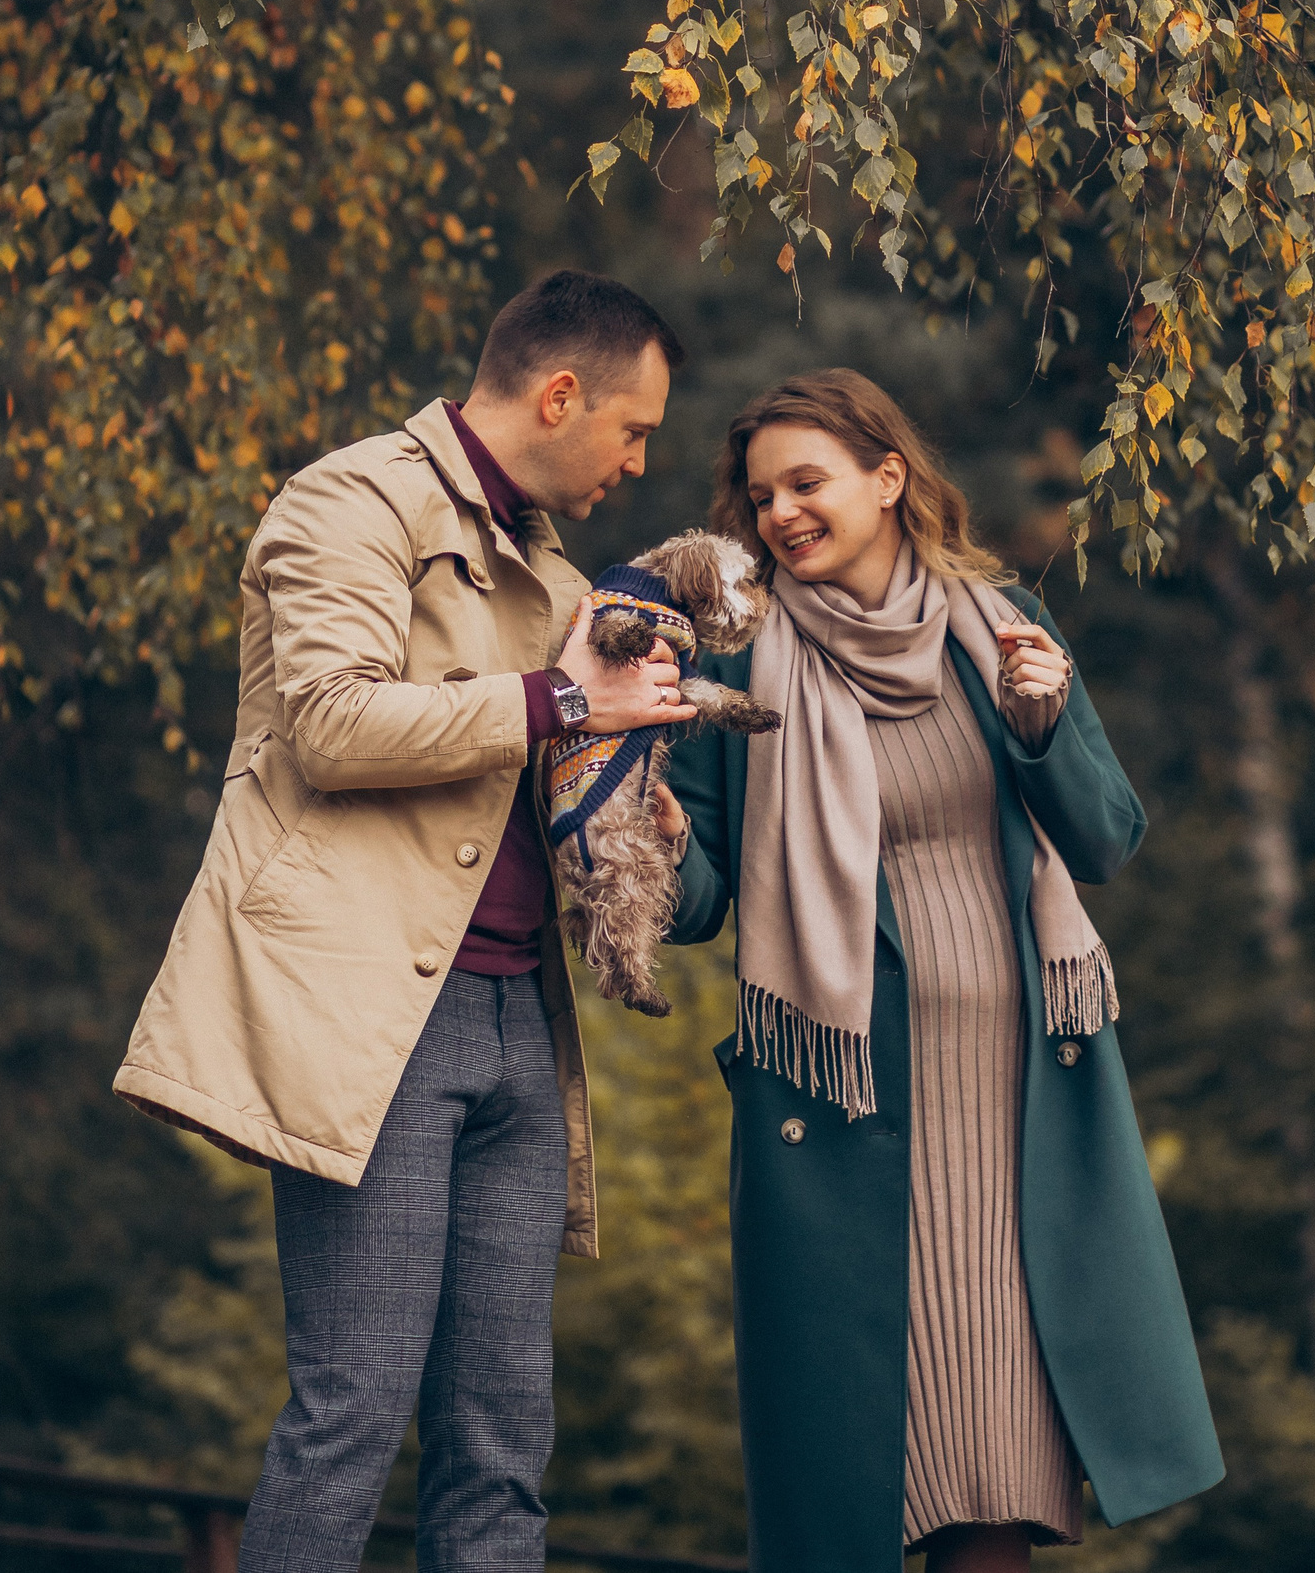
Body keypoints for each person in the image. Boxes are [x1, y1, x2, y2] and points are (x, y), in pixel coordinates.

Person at [113, 270, 699, 1573]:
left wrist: (636, 816)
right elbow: (333, 727)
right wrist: (562, 704)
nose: (636, 459)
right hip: (376, 1019)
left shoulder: (550, 579)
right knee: (352, 1414)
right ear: (560, 395)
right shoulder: (348, 502)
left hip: (518, 1029)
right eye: (633, 428)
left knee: (502, 1440)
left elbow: (540, 777)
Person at [662, 370, 1225, 1573]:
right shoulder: (741, 657)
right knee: (865, 1475)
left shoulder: (996, 619)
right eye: (760, 497)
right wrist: (649, 825)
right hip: (847, 1105)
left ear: (887, 476)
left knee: (994, 1484)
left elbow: (1105, 840)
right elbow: (698, 906)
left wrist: (1039, 730)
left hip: (1019, 1097)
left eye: (805, 484)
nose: (780, 515)